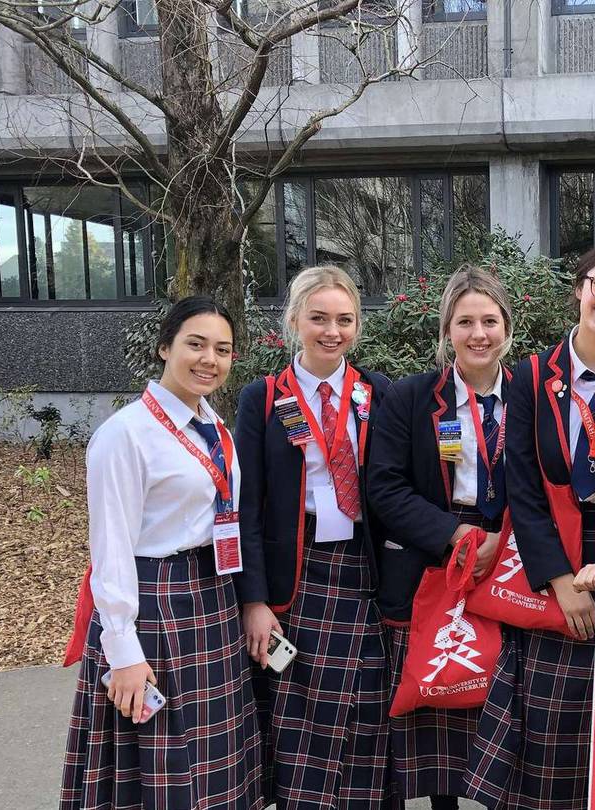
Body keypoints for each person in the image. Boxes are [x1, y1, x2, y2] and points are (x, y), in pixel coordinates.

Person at [465, 241, 595, 810]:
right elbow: (524, 487)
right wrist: (561, 582)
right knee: (550, 725)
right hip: (554, 556)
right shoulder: (533, 374)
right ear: (580, 287)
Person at [61, 296, 264, 810]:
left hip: (212, 594)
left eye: (222, 349)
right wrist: (122, 650)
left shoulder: (215, 426)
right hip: (156, 602)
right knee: (163, 757)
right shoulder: (126, 434)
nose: (209, 360)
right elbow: (111, 549)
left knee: (214, 754)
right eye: (195, 344)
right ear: (164, 347)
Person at [234, 265, 397, 810]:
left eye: (345, 319)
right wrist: (254, 601)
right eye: (319, 318)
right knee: (298, 714)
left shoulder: (378, 393)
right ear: (294, 322)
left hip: (363, 574)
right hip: (297, 579)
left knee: (364, 709)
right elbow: (246, 508)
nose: (333, 331)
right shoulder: (261, 398)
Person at [366, 265, 515, 810]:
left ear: (507, 327)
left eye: (489, 321)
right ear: (446, 330)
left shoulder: (530, 394)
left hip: (508, 559)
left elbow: (549, 479)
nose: (479, 334)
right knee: (433, 705)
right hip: (430, 558)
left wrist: (500, 540)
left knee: (498, 700)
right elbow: (384, 486)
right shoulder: (409, 398)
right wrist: (457, 536)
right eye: (465, 322)